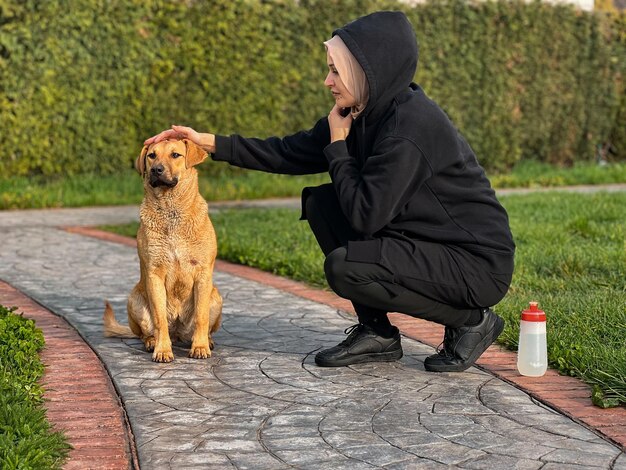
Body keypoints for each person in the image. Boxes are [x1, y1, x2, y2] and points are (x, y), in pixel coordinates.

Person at [144, 10, 515, 373]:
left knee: (346, 268)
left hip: (473, 262)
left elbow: (365, 215)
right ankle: (377, 333)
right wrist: (205, 142)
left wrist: (338, 146)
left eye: (336, 70)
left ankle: (471, 321)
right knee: (322, 202)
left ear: (368, 72)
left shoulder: (409, 129)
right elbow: (287, 152)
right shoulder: (361, 111)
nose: (327, 80)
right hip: (423, 240)